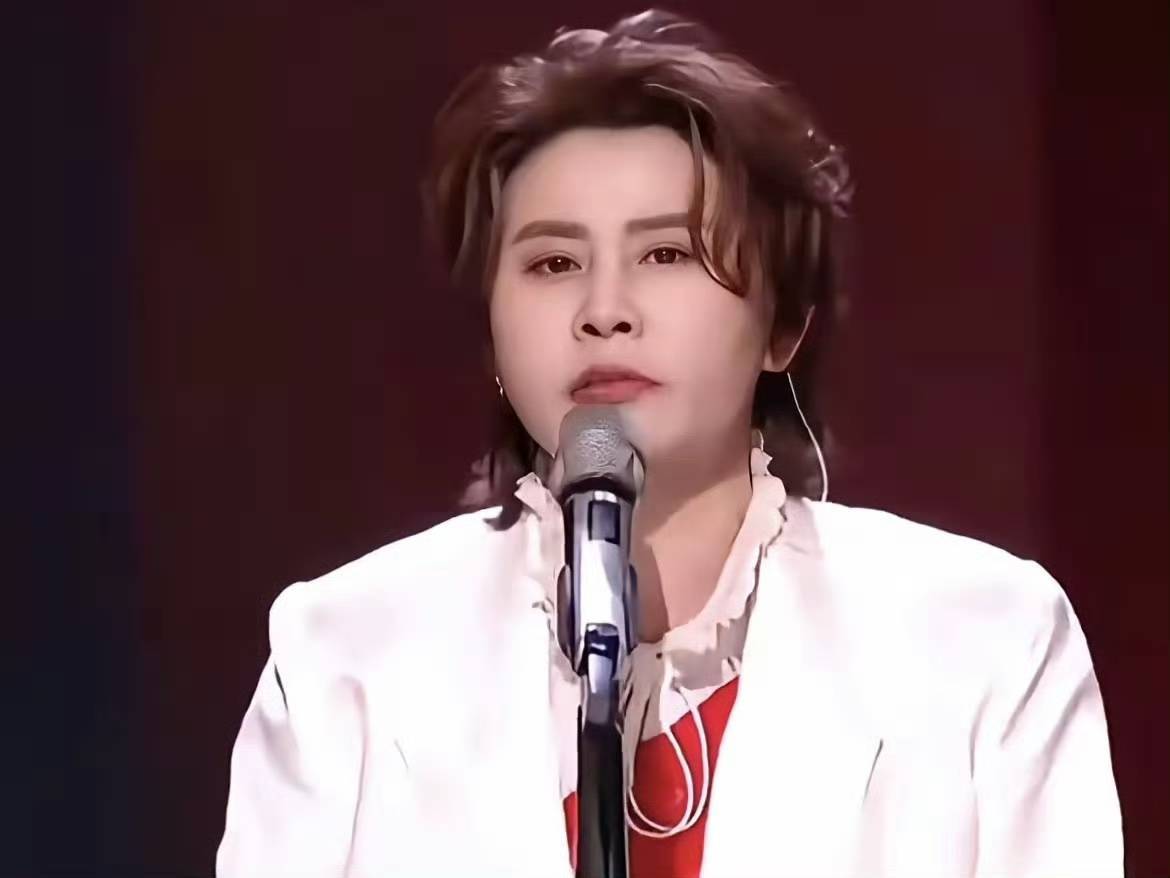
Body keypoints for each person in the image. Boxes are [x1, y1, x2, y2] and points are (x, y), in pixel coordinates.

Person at [216, 10, 1123, 877]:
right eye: (553, 263)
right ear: (493, 338)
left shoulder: (986, 639)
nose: (604, 310)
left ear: (783, 326)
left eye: (666, 255)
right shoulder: (343, 656)